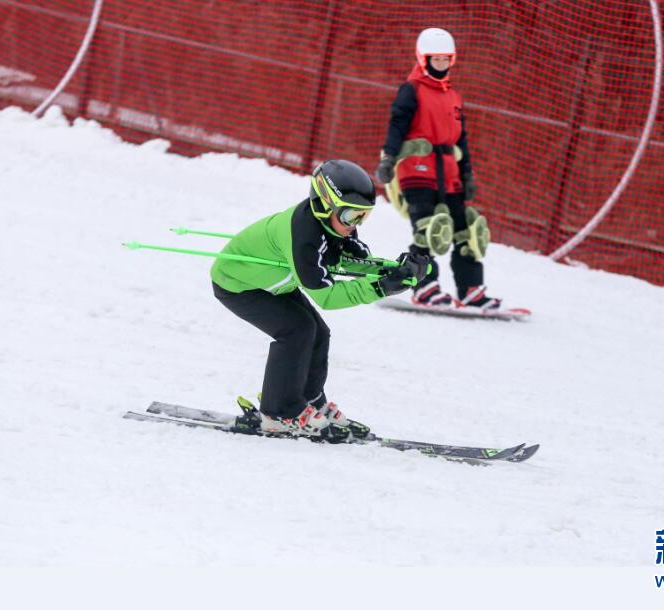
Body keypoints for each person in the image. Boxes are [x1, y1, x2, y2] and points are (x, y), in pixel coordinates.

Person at [210, 159, 429, 438]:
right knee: (296, 331)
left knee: (318, 333)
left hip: (273, 284)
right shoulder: (304, 237)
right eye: (352, 216)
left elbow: (351, 259)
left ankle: (310, 401)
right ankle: (279, 413)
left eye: (363, 216)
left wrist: (393, 270)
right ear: (325, 205)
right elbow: (327, 296)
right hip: (238, 284)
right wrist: (381, 287)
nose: (355, 224)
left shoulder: (333, 224)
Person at [376, 27, 501, 309]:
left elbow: (462, 139)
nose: (441, 64)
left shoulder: (453, 95)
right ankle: (424, 287)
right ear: (423, 59)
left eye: (446, 59)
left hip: (450, 174)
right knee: (428, 230)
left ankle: (471, 289)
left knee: (465, 231)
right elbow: (397, 125)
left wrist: (467, 172)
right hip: (417, 171)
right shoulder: (412, 89)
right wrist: (388, 158)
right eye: (436, 59)